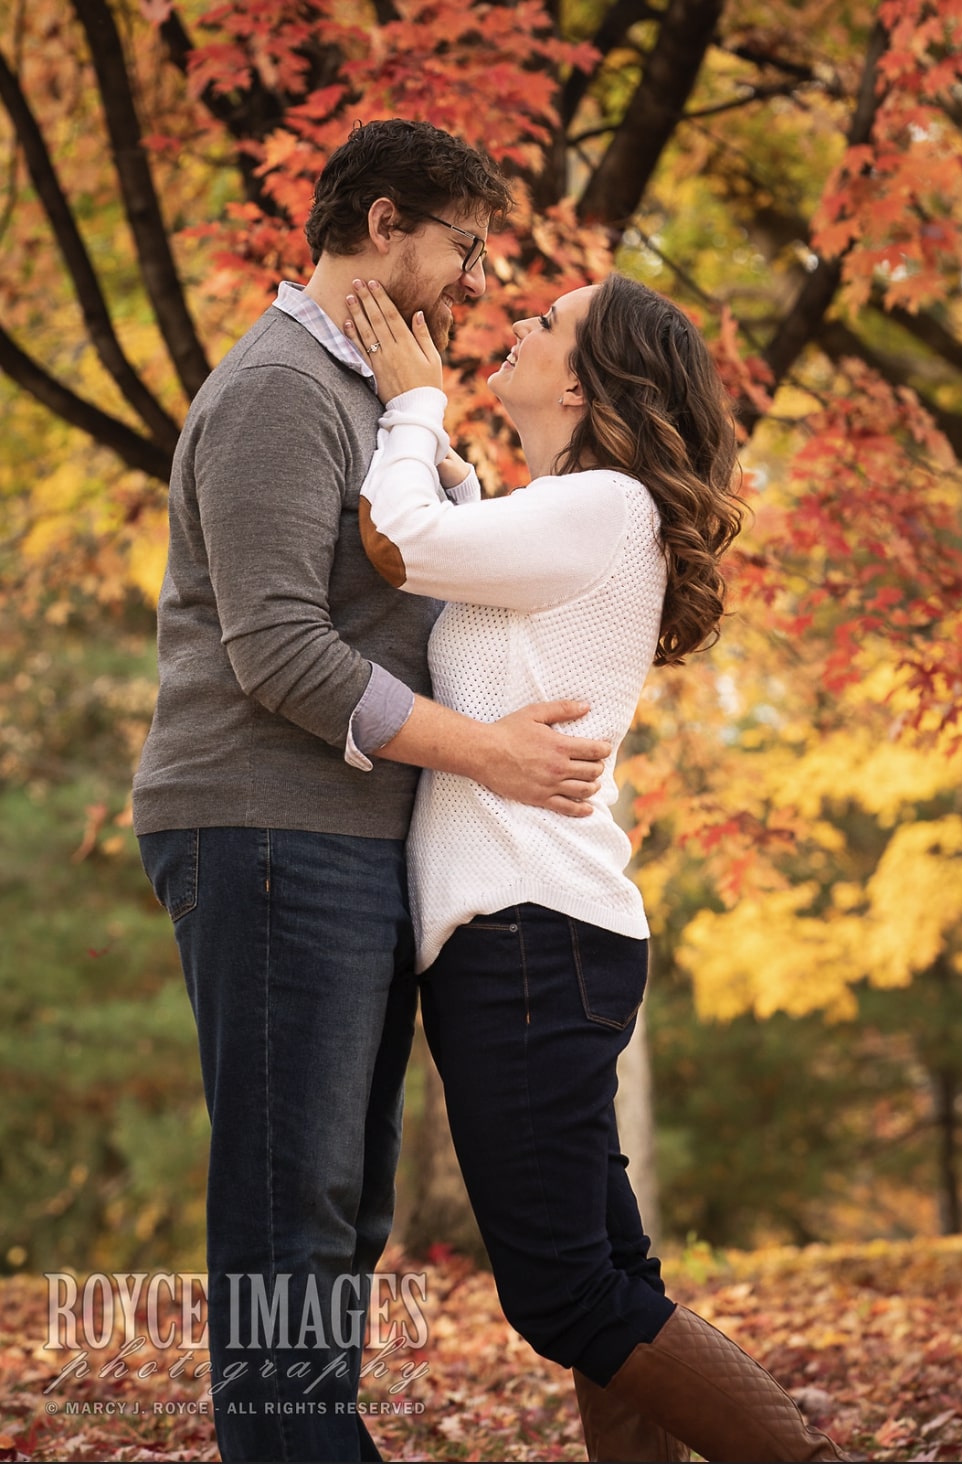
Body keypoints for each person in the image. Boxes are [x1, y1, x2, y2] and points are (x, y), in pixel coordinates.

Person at [132, 118, 612, 1464]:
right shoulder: (284, 389)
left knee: (341, 1210)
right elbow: (278, 648)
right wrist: (491, 755)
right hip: (266, 826)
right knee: (295, 1208)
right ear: (385, 223)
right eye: (462, 249)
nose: (472, 284)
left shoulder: (371, 400)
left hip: (338, 833)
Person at [345, 271, 850, 1463]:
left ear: (582, 377)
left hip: (527, 936)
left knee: (564, 1291)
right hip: (541, 936)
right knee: (606, 1278)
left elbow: (400, 545)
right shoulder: (576, 512)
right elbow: (461, 545)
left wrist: (414, 409)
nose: (515, 322)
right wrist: (450, 455)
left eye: (546, 322)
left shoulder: (606, 506)